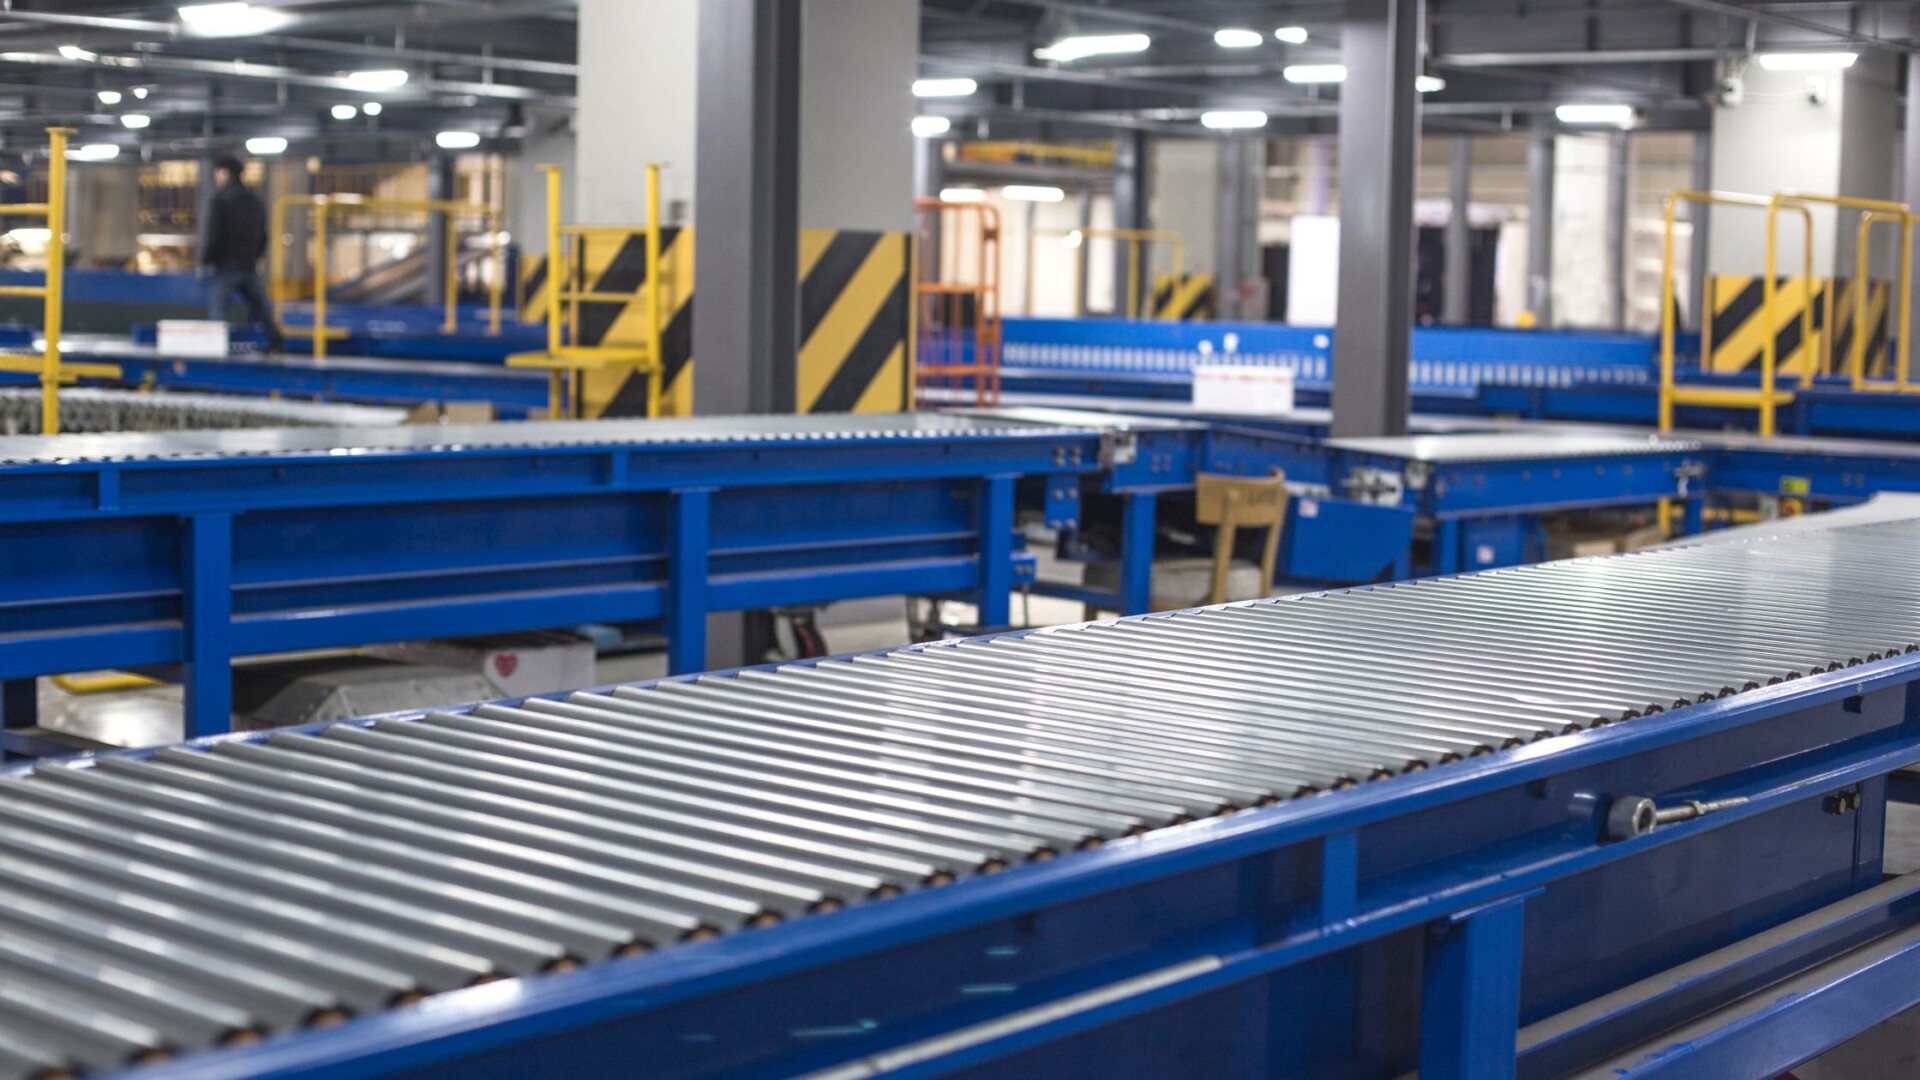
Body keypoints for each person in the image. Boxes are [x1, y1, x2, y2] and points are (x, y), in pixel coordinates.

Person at [200, 154, 284, 352]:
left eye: (218, 173)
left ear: (225, 173)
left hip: (227, 265)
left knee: (218, 308)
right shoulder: (254, 200)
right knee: (260, 308)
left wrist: (206, 260)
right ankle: (277, 342)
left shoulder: (220, 199)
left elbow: (214, 234)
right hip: (248, 265)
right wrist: (254, 257)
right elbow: (264, 235)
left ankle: (215, 348)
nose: (217, 177)